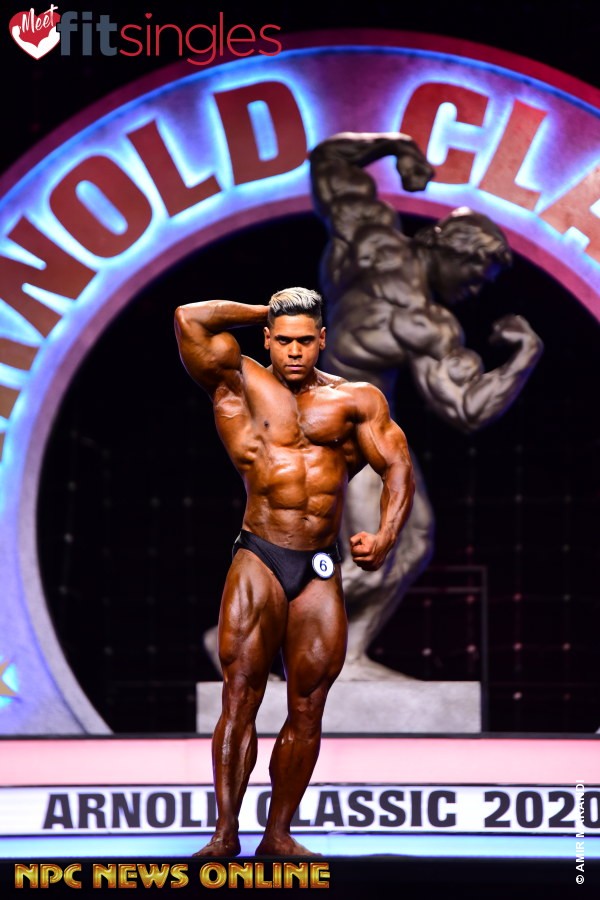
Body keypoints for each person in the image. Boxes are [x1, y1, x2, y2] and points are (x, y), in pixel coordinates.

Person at [174, 286, 415, 856]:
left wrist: (385, 536)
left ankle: (278, 833)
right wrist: (272, 307)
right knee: (241, 695)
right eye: (283, 339)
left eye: (305, 339)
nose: (294, 350)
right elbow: (189, 318)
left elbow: (397, 466)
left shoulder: (355, 400)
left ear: (322, 339)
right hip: (260, 554)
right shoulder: (238, 382)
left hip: (320, 566)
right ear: (267, 339)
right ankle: (224, 833)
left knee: (308, 706)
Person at [306, 132, 544, 680]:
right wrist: (525, 355)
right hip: (340, 429)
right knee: (378, 550)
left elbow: (330, 161)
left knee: (410, 542)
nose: (474, 291)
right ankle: (246, 633)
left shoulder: (370, 237)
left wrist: (399, 148)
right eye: (475, 276)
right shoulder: (427, 324)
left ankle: (346, 658)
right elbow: (466, 409)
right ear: (452, 250)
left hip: (338, 422)